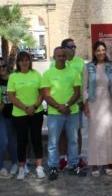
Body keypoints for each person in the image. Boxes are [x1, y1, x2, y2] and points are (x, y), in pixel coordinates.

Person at [42, 47, 83, 181]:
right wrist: (58, 106)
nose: (60, 58)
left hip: (72, 112)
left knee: (73, 141)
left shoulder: (73, 72)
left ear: (66, 57)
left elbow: (77, 92)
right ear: (54, 57)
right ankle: (53, 167)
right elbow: (46, 95)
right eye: (58, 55)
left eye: (63, 55)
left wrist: (66, 105)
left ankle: (73, 165)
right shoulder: (48, 74)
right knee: (53, 142)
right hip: (55, 113)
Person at [83, 41, 112, 177]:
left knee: (108, 133)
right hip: (94, 103)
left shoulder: (111, 66)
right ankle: (94, 165)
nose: (101, 52)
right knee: (94, 134)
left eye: (103, 50)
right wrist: (85, 104)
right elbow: (84, 88)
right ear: (94, 52)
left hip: (108, 103)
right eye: (98, 50)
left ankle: (108, 164)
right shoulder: (88, 67)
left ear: (106, 51)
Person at [7, 51, 46, 180]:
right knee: (21, 141)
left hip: (36, 112)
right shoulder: (13, 76)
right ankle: (22, 168)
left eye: (27, 60)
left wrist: (34, 107)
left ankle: (39, 167)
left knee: (36, 139)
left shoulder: (36, 74)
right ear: (18, 62)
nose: (24, 62)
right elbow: (11, 96)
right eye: (21, 60)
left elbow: (42, 93)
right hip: (19, 114)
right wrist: (25, 108)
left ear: (30, 61)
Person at [56, 38, 87, 170]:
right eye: (70, 46)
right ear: (63, 48)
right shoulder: (55, 63)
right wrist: (59, 105)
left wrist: (84, 102)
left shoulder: (80, 63)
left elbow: (85, 84)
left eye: (75, 46)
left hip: (76, 104)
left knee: (76, 132)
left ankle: (77, 158)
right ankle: (63, 158)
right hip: (59, 106)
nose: (74, 49)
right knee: (62, 133)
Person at [0, 58, 19, 176]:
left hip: (18, 111)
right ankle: (15, 162)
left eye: (3, 66)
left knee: (21, 138)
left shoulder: (14, 77)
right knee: (10, 140)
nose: (2, 68)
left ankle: (22, 161)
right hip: (5, 114)